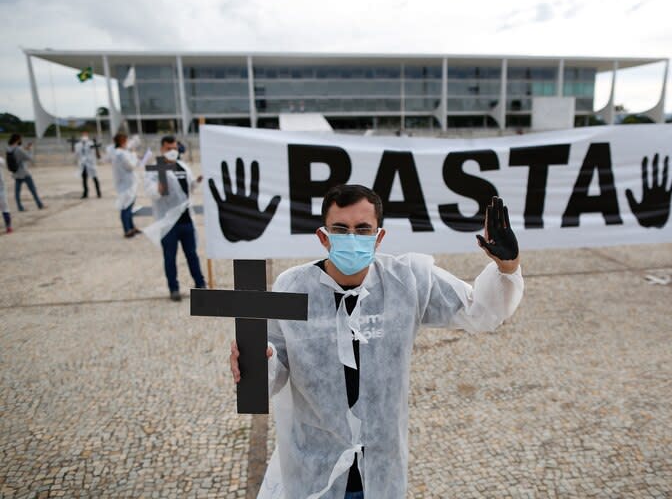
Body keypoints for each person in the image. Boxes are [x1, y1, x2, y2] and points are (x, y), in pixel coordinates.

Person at [230, 185, 524, 498]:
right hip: (314, 468)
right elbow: (275, 369)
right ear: (323, 237)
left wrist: (508, 266)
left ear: (379, 237)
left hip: (381, 469)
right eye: (341, 229)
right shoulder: (292, 287)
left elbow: (481, 311)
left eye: (363, 229)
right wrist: (258, 363)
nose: (352, 237)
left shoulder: (406, 281)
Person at [143, 135, 206, 301]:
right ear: (162, 149)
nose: (172, 151)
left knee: (192, 255)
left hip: (186, 221)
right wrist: (158, 187)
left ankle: (200, 284)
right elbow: (151, 192)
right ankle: (174, 288)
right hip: (168, 223)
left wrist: (198, 181)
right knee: (170, 257)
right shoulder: (156, 168)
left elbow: (190, 186)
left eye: (175, 148)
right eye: (168, 149)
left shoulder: (183, 166)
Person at [111, 133, 140, 238]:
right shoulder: (120, 154)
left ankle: (132, 227)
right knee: (125, 206)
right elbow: (131, 166)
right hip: (125, 183)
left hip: (128, 182)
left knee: (130, 205)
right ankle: (127, 230)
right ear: (122, 142)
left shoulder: (121, 152)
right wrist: (134, 155)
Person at [7, 134, 44, 211]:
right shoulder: (19, 149)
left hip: (16, 172)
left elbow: (18, 152)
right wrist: (30, 149)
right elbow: (29, 158)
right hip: (24, 172)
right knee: (32, 189)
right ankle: (39, 204)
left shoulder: (9, 149)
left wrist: (25, 148)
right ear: (17, 139)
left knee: (17, 191)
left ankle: (20, 207)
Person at [74, 131, 101, 198]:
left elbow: (97, 154)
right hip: (83, 164)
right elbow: (77, 154)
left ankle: (98, 193)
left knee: (94, 178)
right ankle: (85, 193)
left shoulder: (91, 143)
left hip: (90, 163)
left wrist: (96, 146)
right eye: (83, 135)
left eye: (85, 135)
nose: (84, 136)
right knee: (84, 179)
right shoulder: (78, 145)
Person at [0, 152, 11, 233]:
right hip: (1, 189)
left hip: (1, 188)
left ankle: (8, 226)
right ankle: (8, 227)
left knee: (5, 208)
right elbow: (3, 162)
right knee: (5, 208)